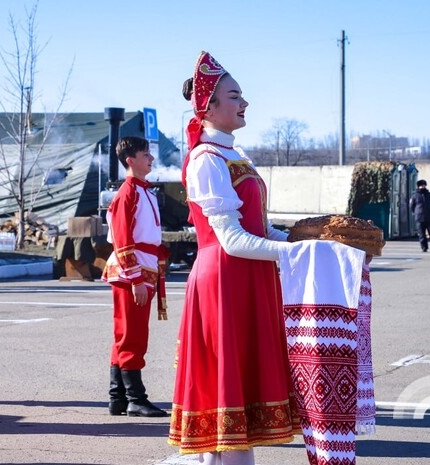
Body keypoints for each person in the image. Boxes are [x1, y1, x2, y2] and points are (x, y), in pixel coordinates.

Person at [168, 51, 301, 464]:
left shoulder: (234, 155)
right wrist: (289, 253)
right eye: (235, 96)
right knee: (227, 399)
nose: (244, 103)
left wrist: (306, 244)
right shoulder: (206, 160)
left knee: (237, 402)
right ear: (209, 106)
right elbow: (231, 239)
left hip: (247, 276)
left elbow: (258, 229)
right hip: (225, 279)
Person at [101, 136, 169, 418]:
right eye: (145, 154)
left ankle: (118, 397)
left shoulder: (144, 191)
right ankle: (135, 398)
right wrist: (136, 279)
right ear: (130, 160)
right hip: (133, 271)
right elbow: (122, 237)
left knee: (126, 334)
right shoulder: (128, 192)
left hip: (143, 267)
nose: (151, 158)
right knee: (132, 334)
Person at [409, 179, 430, 252]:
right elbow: (411, 206)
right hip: (419, 218)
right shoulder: (415, 196)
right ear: (418, 186)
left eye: (423, 185)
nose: (422, 187)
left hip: (429, 217)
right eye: (421, 185)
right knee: (422, 234)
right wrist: (417, 212)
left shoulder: (429, 195)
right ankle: (424, 247)